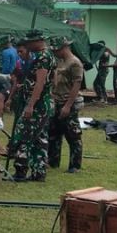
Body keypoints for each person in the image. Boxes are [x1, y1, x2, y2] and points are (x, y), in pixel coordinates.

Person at [12, 29, 56, 182]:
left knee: (23, 135)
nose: (27, 45)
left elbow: (40, 83)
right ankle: (38, 173)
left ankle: (20, 170)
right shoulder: (49, 55)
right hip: (43, 103)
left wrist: (31, 105)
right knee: (39, 138)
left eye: (29, 43)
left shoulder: (43, 58)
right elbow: (51, 81)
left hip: (36, 105)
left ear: (37, 41)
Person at [47, 37, 85, 174]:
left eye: (56, 50)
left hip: (68, 102)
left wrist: (68, 106)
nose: (55, 53)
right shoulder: (61, 62)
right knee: (54, 133)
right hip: (57, 101)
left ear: (64, 48)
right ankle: (53, 161)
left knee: (72, 134)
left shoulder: (75, 63)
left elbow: (76, 85)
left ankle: (75, 165)